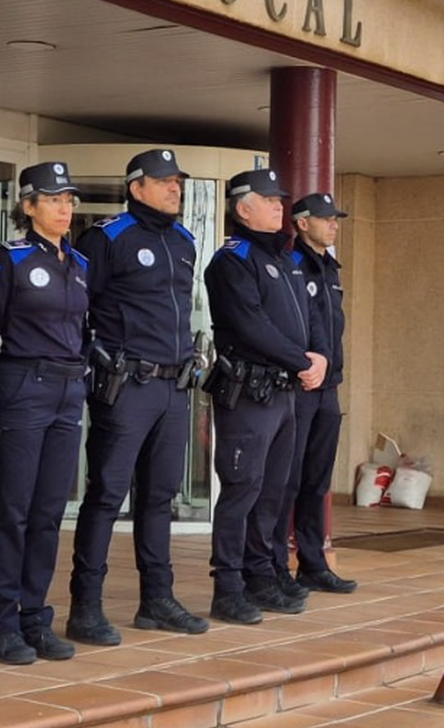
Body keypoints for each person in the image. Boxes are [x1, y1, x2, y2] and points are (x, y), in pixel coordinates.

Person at [66, 149, 209, 646]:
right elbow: (76, 308)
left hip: (173, 387)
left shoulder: (184, 241)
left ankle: (157, 600)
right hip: (126, 386)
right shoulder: (107, 238)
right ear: (136, 187)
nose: (175, 188)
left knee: (159, 497)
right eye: (164, 181)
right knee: (107, 495)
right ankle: (86, 606)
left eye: (178, 182)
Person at [203, 169, 328, 625]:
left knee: (273, 492)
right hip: (249, 392)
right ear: (243, 208)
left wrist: (318, 358)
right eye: (269, 199)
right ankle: (228, 588)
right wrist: (302, 360)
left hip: (283, 392)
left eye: (279, 199)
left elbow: (309, 318)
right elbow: (250, 325)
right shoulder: (232, 260)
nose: (279, 206)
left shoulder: (283, 258)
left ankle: (260, 576)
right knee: (242, 490)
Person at [0, 162, 89, 666]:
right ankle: (2, 624)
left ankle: (34, 618)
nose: (64, 209)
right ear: (28, 206)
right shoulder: (12, 259)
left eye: (68, 200)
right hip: (24, 384)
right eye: (52, 199)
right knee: (13, 509)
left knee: (48, 511)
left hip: (68, 389)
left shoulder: (79, 262)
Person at [274, 193, 357, 595]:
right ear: (303, 223)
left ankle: (312, 563)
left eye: (335, 218)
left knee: (317, 481)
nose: (333, 224)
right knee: (286, 480)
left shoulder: (329, 269)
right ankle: (274, 564)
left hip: (328, 388)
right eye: (326, 219)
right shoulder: (290, 265)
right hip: (300, 386)